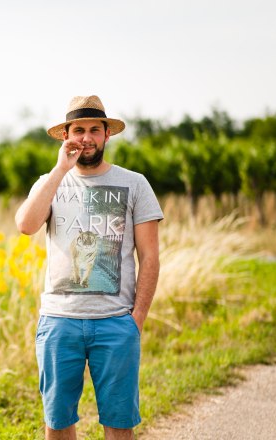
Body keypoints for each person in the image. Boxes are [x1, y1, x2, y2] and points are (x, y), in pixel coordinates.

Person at [14, 95, 163, 440]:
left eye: (95, 129)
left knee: (119, 424)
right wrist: (60, 170)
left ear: (107, 134)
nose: (87, 137)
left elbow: (150, 257)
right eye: (78, 130)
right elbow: (25, 225)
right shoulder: (51, 181)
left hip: (115, 322)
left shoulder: (135, 184)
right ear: (65, 135)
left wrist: (135, 320)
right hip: (59, 322)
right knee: (58, 422)